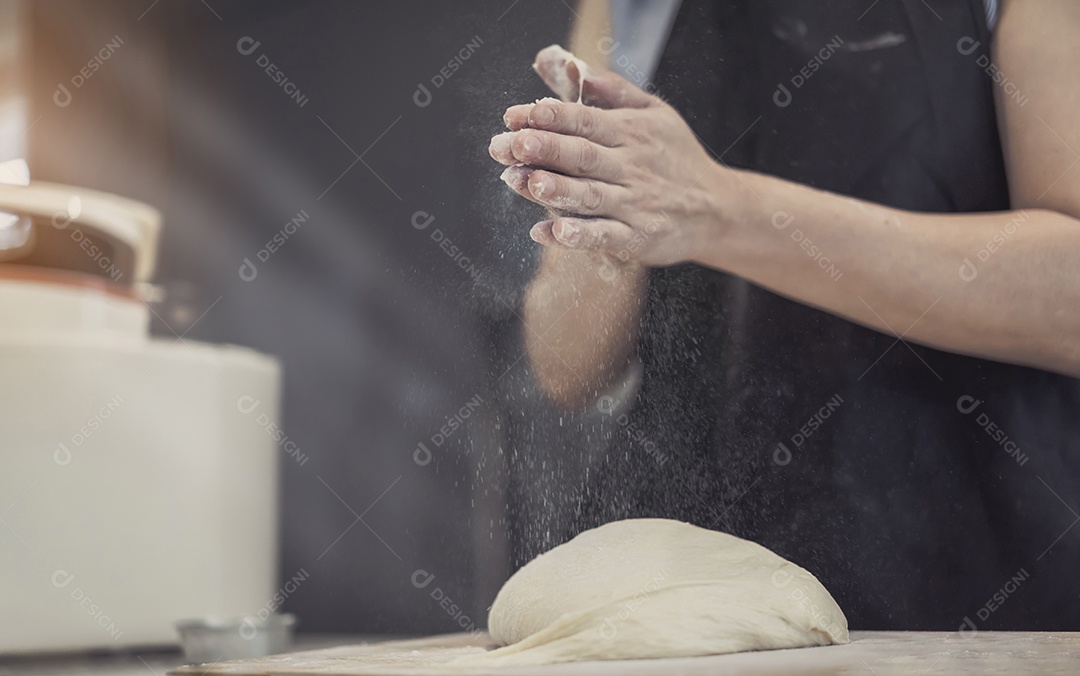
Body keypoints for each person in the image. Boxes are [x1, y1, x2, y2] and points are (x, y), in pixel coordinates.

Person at [488, 0, 1080, 631]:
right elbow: (567, 369)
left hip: (961, 573)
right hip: (677, 595)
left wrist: (722, 211)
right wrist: (593, 205)